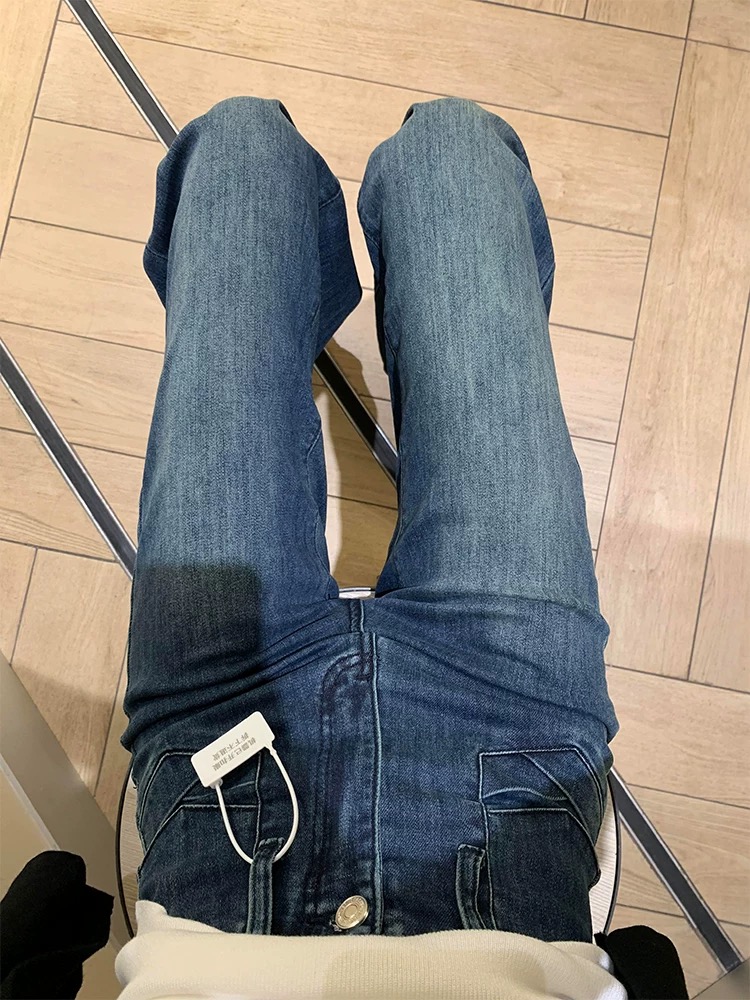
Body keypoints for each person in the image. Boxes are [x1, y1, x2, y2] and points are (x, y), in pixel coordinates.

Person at [114, 96, 686, 999]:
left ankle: (307, 273)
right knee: (454, 150)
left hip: (221, 743)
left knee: (239, 147)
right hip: (514, 728)